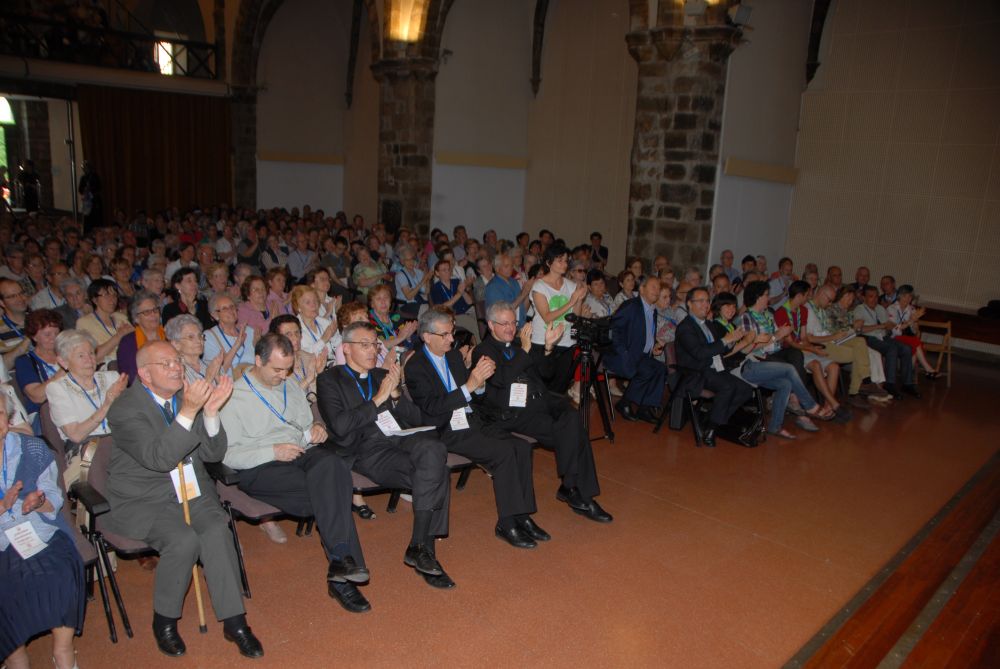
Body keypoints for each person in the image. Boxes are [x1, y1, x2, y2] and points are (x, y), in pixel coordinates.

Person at [105, 342, 263, 659]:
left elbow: (212, 454)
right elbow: (159, 458)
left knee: (217, 530)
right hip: (145, 497)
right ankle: (164, 620)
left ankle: (235, 621)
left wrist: (212, 413)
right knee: (183, 540)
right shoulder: (124, 410)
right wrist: (190, 411)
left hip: (190, 489)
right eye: (166, 363)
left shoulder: (183, 397)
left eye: (177, 361)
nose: (177, 367)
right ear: (144, 374)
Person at [221, 334, 370, 610]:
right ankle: (342, 576)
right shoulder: (233, 397)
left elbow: (304, 423)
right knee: (334, 492)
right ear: (257, 361)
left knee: (333, 465)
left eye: (287, 369)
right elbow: (228, 455)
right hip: (261, 465)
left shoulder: (290, 384)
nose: (282, 375)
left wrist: (316, 429)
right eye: (276, 369)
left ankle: (340, 561)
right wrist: (272, 452)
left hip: (301, 453)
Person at [317, 322, 454, 589]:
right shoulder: (329, 380)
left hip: (398, 440)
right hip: (365, 450)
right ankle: (425, 552)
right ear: (346, 348)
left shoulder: (383, 375)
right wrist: (379, 399)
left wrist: (396, 394)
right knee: (438, 473)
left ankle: (417, 545)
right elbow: (341, 427)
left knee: (435, 449)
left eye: (375, 344)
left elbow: (416, 419)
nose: (372, 350)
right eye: (364, 345)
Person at [405, 307, 544, 549]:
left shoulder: (454, 356)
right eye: (445, 335)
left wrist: (479, 384)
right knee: (502, 453)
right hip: (446, 428)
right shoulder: (415, 366)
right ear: (426, 336)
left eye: (452, 333)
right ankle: (507, 522)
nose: (451, 339)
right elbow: (431, 407)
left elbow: (473, 393)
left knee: (521, 447)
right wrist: (470, 386)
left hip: (472, 420)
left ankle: (523, 515)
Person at [473, 302, 611, 523]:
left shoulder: (519, 343)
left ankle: (571, 487)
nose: (511, 327)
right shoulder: (483, 351)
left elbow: (546, 374)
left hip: (543, 400)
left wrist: (547, 348)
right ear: (490, 325)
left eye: (513, 322)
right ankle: (575, 491)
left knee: (573, 418)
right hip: (517, 412)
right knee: (574, 432)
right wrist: (526, 350)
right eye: (505, 323)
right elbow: (501, 379)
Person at [0, 394, 86, 669]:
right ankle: (15, 660)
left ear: (8, 417)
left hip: (39, 530)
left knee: (60, 572)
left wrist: (38, 503)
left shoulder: (33, 448)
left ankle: (63, 651)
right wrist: (3, 506)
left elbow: (52, 495)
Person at [712, 292, 832, 439]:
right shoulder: (716, 326)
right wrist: (754, 341)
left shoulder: (731, 325)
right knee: (789, 368)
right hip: (738, 369)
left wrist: (755, 341)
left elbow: (744, 350)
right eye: (727, 306)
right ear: (718, 308)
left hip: (748, 362)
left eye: (733, 306)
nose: (731, 309)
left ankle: (775, 426)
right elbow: (723, 355)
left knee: (785, 384)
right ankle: (810, 406)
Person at [674, 287, 754, 447]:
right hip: (697, 371)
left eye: (707, 301)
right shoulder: (685, 327)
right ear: (689, 304)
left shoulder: (708, 325)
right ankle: (711, 428)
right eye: (701, 301)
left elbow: (720, 349)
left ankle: (712, 420)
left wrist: (733, 340)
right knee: (728, 387)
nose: (705, 305)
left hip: (715, 369)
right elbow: (699, 353)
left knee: (746, 390)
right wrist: (725, 340)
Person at [774, 281, 850, 422]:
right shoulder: (781, 312)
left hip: (804, 348)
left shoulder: (803, 311)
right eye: (807, 295)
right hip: (792, 352)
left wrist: (813, 348)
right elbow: (790, 342)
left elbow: (803, 337)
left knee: (834, 366)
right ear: (799, 296)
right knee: (815, 365)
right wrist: (812, 349)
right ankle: (835, 405)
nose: (809, 297)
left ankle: (828, 407)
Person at [604, 276, 670, 422]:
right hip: (621, 356)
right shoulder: (631, 306)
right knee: (646, 370)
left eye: (658, 288)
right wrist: (623, 352)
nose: (657, 290)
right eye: (653, 287)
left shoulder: (652, 310)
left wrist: (652, 348)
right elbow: (613, 330)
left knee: (660, 369)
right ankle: (625, 402)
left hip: (641, 355)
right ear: (641, 289)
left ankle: (645, 407)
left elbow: (643, 334)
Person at [46, 329, 127, 445]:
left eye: (91, 353)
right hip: (87, 449)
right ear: (63, 362)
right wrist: (106, 405)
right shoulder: (57, 389)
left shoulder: (112, 378)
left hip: (121, 442)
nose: (89, 360)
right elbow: (75, 435)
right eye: (81, 356)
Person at [530, 243, 587, 394]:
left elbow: (575, 317)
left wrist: (580, 298)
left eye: (566, 260)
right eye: (560, 260)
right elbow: (547, 317)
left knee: (560, 387)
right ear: (549, 263)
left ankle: (557, 416)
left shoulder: (570, 285)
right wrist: (571, 301)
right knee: (542, 385)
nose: (564, 264)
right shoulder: (539, 286)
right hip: (543, 341)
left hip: (566, 341)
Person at [805, 284, 872, 408]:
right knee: (860, 354)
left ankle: (864, 380)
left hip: (831, 341)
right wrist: (833, 337)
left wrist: (835, 336)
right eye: (829, 300)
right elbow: (809, 338)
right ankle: (856, 390)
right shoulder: (808, 310)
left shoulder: (820, 309)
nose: (830, 304)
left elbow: (828, 330)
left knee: (860, 342)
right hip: (821, 345)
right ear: (821, 294)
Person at [855, 286, 919, 399]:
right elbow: (860, 329)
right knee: (891, 349)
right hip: (868, 338)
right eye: (870, 296)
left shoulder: (880, 308)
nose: (874, 299)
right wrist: (881, 326)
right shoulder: (859, 309)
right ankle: (890, 384)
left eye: (876, 296)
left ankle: (907, 383)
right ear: (864, 297)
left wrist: (893, 325)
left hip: (883, 336)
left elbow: (889, 326)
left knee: (906, 348)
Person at [14, 310, 64, 423]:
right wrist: (62, 373)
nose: (54, 338)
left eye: (57, 333)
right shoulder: (25, 362)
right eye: (47, 334)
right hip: (44, 414)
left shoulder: (67, 354)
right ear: (34, 337)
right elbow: (36, 396)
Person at [75, 278, 133, 366]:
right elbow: (93, 356)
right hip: (106, 368)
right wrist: (119, 336)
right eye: (106, 295)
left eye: (114, 295)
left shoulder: (121, 317)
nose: (112, 299)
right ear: (95, 300)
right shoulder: (84, 323)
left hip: (129, 360)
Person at [887, 285, 938, 379]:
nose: (908, 299)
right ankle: (927, 369)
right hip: (893, 337)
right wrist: (910, 320)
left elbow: (915, 331)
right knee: (916, 343)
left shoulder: (911, 309)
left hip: (906, 337)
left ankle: (907, 373)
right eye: (905, 296)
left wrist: (915, 325)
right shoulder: (892, 308)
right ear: (899, 296)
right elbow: (895, 330)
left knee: (915, 343)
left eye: (910, 296)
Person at [116, 290, 165, 384]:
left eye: (155, 310)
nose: (153, 314)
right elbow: (130, 377)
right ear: (136, 318)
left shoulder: (169, 335)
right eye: (147, 312)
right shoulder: (128, 343)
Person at [204, 294, 255, 378]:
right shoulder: (209, 337)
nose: (230, 310)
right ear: (215, 315)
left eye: (232, 306)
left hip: (255, 381)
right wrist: (236, 346)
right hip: (230, 386)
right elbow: (217, 371)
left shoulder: (249, 331)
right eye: (224, 308)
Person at [165, 314, 224, 385]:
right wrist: (209, 378)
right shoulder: (176, 372)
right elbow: (188, 396)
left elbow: (230, 394)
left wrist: (218, 378)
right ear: (176, 344)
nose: (199, 340)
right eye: (191, 337)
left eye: (200, 335)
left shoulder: (212, 365)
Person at [429, 260, 478, 342]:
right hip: (452, 316)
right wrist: (458, 294)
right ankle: (482, 348)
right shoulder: (435, 288)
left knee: (482, 317)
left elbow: (470, 302)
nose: (447, 272)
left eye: (449, 269)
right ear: (437, 273)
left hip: (467, 310)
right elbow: (442, 307)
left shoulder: (456, 282)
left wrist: (463, 292)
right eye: (444, 270)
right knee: (474, 324)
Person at [292, 286, 338, 364]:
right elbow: (303, 357)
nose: (314, 305)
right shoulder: (294, 329)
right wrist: (323, 340)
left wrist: (333, 338)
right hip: (312, 371)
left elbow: (339, 344)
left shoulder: (325, 322)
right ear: (298, 307)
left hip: (333, 365)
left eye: (315, 301)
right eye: (308, 302)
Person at [484, 253, 532, 328]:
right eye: (506, 266)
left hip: (520, 325)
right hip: (505, 328)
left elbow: (523, 310)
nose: (510, 268)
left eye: (511, 266)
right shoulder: (492, 287)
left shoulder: (514, 282)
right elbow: (502, 314)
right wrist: (522, 295)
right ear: (497, 268)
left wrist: (529, 292)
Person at [368, 284, 418, 352]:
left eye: (386, 297)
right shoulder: (367, 321)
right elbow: (376, 345)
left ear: (390, 301)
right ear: (372, 304)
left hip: (400, 354)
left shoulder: (396, 317)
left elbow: (404, 343)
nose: (383, 302)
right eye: (378, 298)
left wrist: (408, 336)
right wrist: (399, 338)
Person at [0, 278, 31, 368]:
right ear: (2, 302)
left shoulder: (40, 319)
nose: (20, 299)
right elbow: (2, 367)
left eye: (21, 293)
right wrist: (29, 338)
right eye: (12, 296)